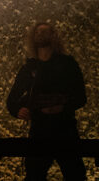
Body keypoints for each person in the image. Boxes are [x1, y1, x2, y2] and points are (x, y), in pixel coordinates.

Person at [6, 22, 86, 181]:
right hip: (40, 130)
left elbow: (81, 97)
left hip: (65, 129)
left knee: (75, 175)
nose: (41, 35)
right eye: (38, 32)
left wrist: (62, 107)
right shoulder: (30, 68)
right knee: (35, 175)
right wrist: (17, 110)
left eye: (45, 32)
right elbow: (12, 99)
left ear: (53, 36)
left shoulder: (67, 64)